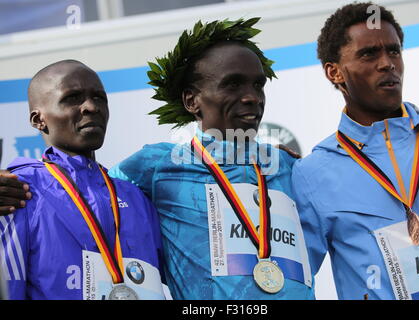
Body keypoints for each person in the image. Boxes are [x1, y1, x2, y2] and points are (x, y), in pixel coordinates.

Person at [0, 18, 314, 300]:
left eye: (99, 98)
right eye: (233, 84)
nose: (251, 96)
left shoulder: (288, 168)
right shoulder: (150, 170)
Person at [291, 2, 419, 300]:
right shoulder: (311, 175)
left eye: (394, 51)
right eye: (369, 54)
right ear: (334, 72)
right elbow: (294, 284)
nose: (387, 63)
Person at [0, 60, 165, 299]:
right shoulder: (19, 192)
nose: (91, 107)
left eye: (99, 98)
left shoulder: (134, 195)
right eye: (72, 98)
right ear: (38, 120)